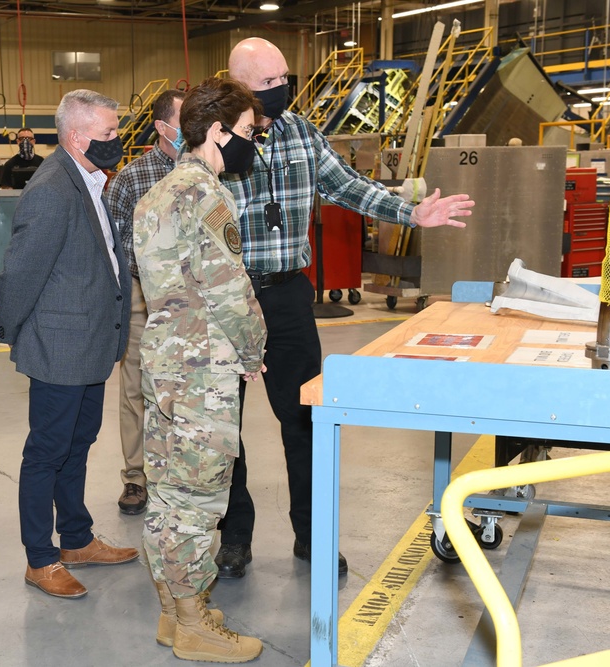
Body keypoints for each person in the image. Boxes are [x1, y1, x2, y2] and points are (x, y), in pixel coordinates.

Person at [215, 37, 474, 580]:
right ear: (239, 86)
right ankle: (234, 536)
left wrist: (410, 213)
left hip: (287, 294)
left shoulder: (303, 132)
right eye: (268, 83)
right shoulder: (215, 141)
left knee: (305, 418)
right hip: (227, 296)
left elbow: (348, 186)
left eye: (284, 77)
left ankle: (313, 533)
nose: (282, 88)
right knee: (223, 424)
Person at [133, 76, 267, 663]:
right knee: (198, 499)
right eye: (245, 133)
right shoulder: (206, 195)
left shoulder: (155, 193)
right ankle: (193, 625)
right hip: (201, 373)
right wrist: (255, 350)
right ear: (215, 131)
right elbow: (230, 290)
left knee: (166, 493)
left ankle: (172, 610)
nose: (250, 144)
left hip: (163, 365)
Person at [0, 89, 138, 600]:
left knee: (77, 445)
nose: (116, 141)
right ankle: (41, 558)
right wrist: (14, 332)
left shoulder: (92, 181)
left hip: (91, 343)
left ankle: (76, 539)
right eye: (107, 134)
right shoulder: (53, 188)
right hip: (59, 346)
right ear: (76, 136)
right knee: (47, 452)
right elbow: (20, 272)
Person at [103, 88, 185, 516]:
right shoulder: (133, 177)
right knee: (135, 388)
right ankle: (136, 477)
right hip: (141, 293)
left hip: (191, 299)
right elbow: (112, 245)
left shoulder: (209, 173)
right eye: (183, 121)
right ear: (162, 126)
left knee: (185, 390)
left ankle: (178, 471)